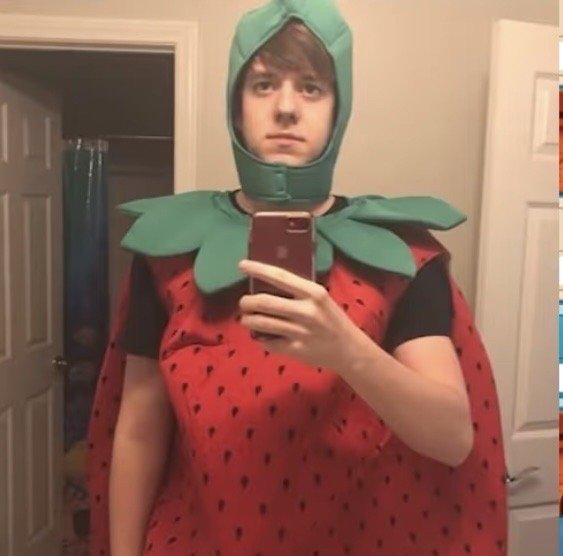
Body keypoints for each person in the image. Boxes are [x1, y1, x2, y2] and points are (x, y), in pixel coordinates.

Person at [87, 0, 508, 554]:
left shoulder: (403, 254)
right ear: (236, 105)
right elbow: (140, 429)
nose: (286, 108)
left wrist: (347, 351)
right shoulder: (167, 251)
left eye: (311, 87)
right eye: (263, 85)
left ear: (339, 108)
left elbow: (452, 439)